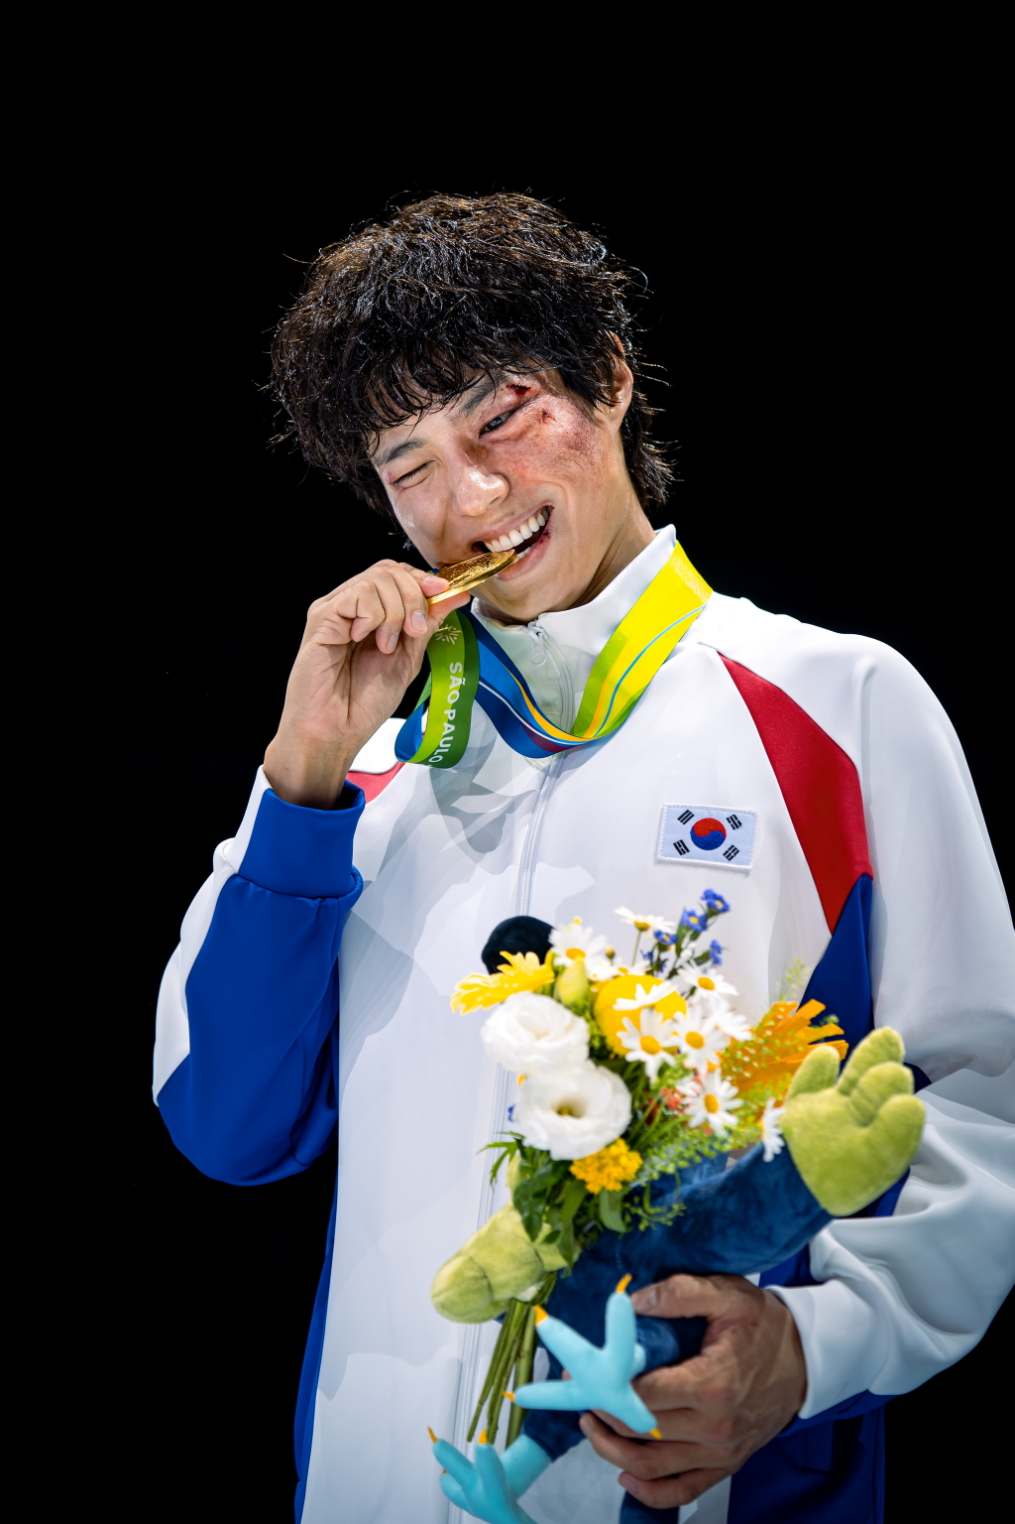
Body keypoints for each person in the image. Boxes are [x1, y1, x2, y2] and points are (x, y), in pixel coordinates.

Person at [151, 191, 1015, 1524]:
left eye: (501, 417)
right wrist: (302, 774)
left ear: (610, 381)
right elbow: (225, 1125)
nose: (470, 498)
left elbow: (978, 1100)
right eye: (409, 463)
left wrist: (816, 1347)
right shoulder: (356, 778)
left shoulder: (837, 705)